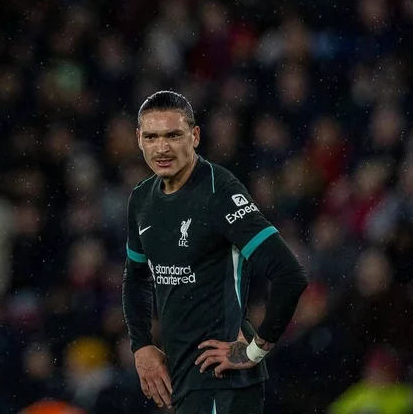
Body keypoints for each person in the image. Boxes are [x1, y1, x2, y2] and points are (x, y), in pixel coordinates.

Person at [121, 91, 309, 413]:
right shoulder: (141, 199)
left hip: (222, 382)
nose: (162, 148)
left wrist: (253, 351)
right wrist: (142, 346)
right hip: (185, 380)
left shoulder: (218, 191)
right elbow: (136, 278)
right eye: (151, 136)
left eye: (173, 135)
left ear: (194, 136)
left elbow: (289, 275)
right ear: (139, 139)